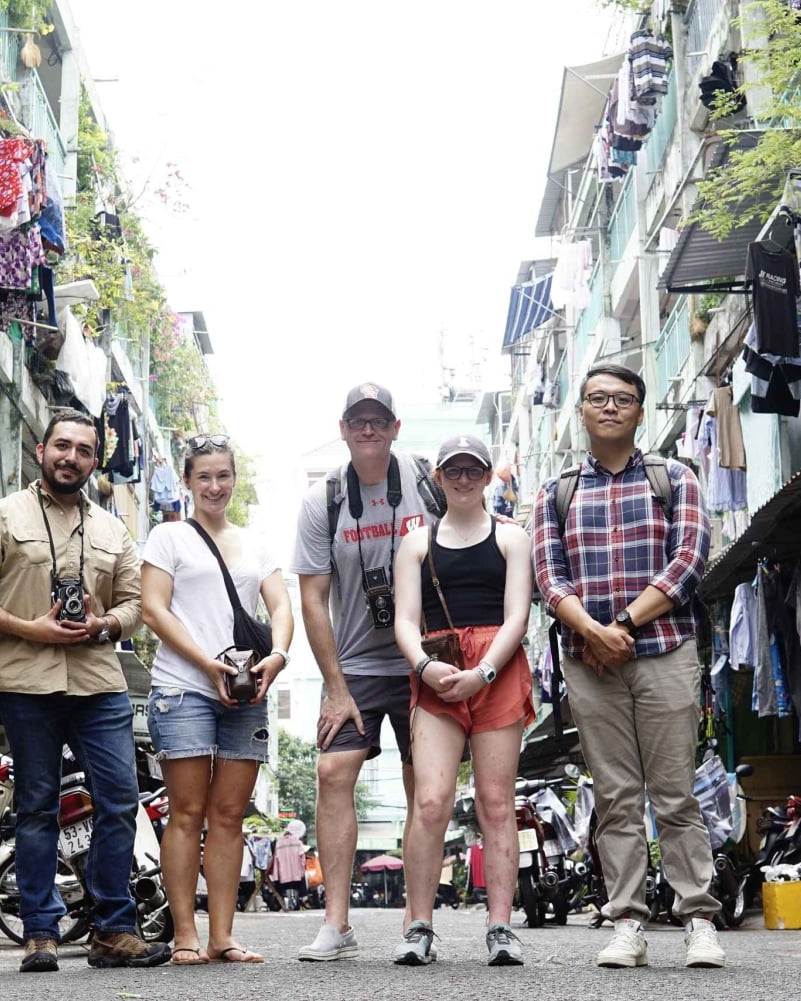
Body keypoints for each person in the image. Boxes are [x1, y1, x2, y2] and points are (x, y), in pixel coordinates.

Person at [0, 409, 170, 972]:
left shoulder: (113, 531)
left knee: (119, 800)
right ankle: (40, 933)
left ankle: (113, 929)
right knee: (38, 805)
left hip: (99, 682)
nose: (71, 457)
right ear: (41, 450)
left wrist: (104, 624)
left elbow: (134, 605)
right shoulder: (0, 516)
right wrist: (30, 628)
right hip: (27, 681)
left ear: (95, 463)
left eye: (84, 451)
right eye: (62, 446)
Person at [531, 364, 725, 969]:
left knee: (675, 793)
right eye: (598, 398)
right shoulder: (556, 492)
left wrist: (620, 625)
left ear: (640, 411)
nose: (610, 407)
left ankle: (698, 920)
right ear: (582, 412)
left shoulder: (675, 478)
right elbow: (548, 576)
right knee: (615, 797)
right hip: (590, 664)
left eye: (622, 398)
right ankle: (627, 924)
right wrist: (591, 631)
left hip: (665, 651)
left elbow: (689, 561)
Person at [289, 383, 438, 962]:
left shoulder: (426, 483)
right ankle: (337, 924)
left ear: (396, 428)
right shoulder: (323, 499)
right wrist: (334, 688)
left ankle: (417, 922)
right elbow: (312, 598)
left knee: (422, 785)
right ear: (344, 429)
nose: (368, 429)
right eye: (358, 421)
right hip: (355, 664)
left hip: (423, 659)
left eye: (379, 420)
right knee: (332, 771)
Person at [140, 434, 292, 965]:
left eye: (223, 475)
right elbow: (153, 609)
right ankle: (185, 934)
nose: (214, 486)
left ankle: (222, 936)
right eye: (203, 476)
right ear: (187, 481)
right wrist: (207, 665)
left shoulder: (255, 544)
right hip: (183, 687)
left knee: (228, 815)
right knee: (187, 812)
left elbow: (281, 606)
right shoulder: (168, 537)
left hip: (246, 689)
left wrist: (279, 656)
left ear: (234, 479)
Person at [390, 434, 533, 966]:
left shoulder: (512, 537)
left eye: (474, 469)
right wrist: (424, 667)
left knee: (496, 803)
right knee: (431, 801)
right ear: (439, 478)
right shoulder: (416, 542)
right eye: (454, 470)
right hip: (439, 671)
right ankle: (419, 926)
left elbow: (518, 615)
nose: (464, 479)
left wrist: (484, 671)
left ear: (488, 475)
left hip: (497, 667)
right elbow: (405, 621)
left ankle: (501, 927)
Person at [271, 821, 308, 909]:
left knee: (281, 887)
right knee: (301, 883)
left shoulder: (279, 843)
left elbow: (276, 859)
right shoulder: (298, 842)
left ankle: (282, 903)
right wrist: (302, 868)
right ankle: (303, 899)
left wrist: (276, 874)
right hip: (296, 873)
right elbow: (302, 857)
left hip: (284, 874)